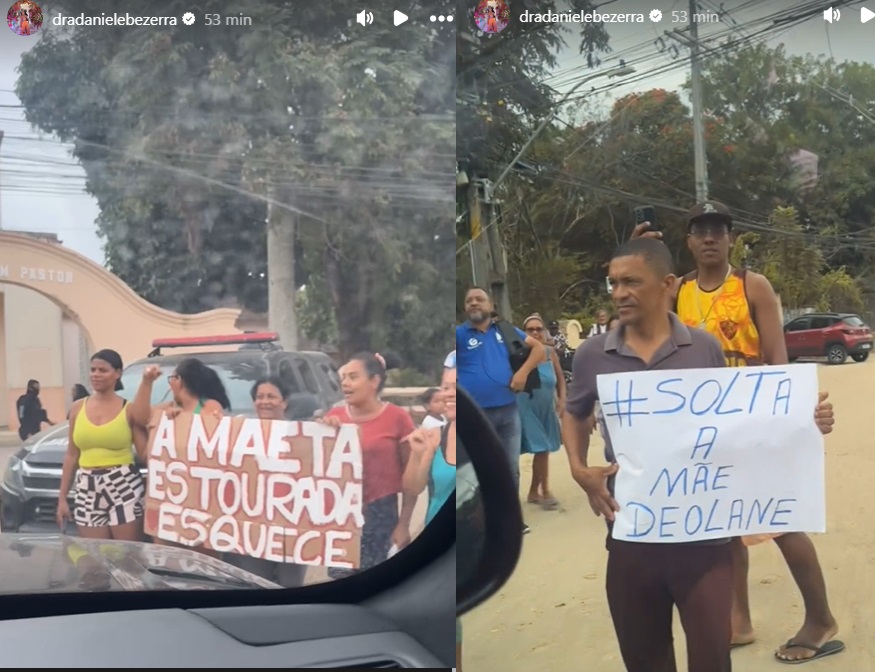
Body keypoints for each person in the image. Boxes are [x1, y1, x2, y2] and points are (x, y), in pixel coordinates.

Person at [563, 238, 835, 672]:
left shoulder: (704, 348)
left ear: (667, 284)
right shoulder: (592, 354)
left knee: (711, 657)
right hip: (632, 532)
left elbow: (735, 421)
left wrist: (803, 419)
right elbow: (575, 413)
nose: (619, 293)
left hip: (705, 540)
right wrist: (579, 469)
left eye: (632, 282)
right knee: (645, 657)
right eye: (613, 283)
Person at [633, 200, 843, 664]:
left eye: (718, 230)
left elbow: (778, 361)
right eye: (701, 231)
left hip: (752, 423)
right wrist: (642, 257)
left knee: (781, 522)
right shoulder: (677, 290)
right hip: (702, 429)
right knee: (724, 526)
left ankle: (820, 618)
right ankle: (739, 620)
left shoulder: (752, 286)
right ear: (689, 241)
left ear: (730, 239)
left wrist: (792, 416)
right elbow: (641, 326)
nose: (710, 238)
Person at [456, 286, 545, 533]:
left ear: (490, 305)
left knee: (510, 469)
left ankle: (509, 520)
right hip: (475, 417)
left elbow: (539, 349)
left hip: (508, 412)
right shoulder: (459, 335)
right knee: (477, 471)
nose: (474, 303)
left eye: (479, 299)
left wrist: (522, 372)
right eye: (469, 300)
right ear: (465, 307)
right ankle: (480, 522)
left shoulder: (506, 331)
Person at [321, 352, 417, 577]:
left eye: (353, 377)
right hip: (341, 518)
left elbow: (411, 478)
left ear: (374, 381)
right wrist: (323, 434)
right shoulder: (333, 417)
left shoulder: (398, 418)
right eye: (344, 377)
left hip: (381, 517)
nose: (345, 383)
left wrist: (404, 525)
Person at [57, 349, 158, 540]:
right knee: (94, 553)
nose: (96, 374)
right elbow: (71, 455)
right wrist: (62, 498)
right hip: (86, 486)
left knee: (127, 553)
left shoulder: (129, 409)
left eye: (103, 370)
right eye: (93, 370)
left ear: (117, 373)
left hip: (123, 483)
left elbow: (145, 454)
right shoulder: (77, 408)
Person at [222, 376, 308, 587]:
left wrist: (331, 427)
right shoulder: (240, 432)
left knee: (289, 585)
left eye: (271, 396)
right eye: (259, 397)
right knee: (254, 584)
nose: (265, 401)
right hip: (252, 529)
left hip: (290, 527)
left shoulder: (304, 435)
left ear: (284, 402)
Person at [403, 354, 458, 670]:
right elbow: (413, 488)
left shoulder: (484, 439)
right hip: (437, 551)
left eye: (456, 386)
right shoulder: (433, 437)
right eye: (445, 386)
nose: (448, 393)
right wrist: (421, 455)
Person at [518, 314, 565, 510]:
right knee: (542, 448)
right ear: (523, 333)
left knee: (543, 449)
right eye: (531, 330)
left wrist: (562, 399)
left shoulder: (549, 352)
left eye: (539, 329)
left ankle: (532, 492)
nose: (535, 332)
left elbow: (560, 378)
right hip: (525, 406)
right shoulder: (517, 354)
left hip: (546, 408)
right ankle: (545, 491)